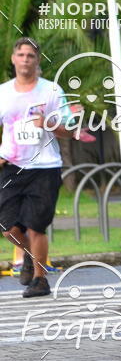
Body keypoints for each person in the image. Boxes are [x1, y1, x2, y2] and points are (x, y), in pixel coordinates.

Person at [0, 37, 72, 297]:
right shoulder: (3, 92)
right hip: (12, 166)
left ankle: (40, 280)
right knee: (7, 227)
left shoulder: (51, 91)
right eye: (21, 55)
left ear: (37, 60)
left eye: (31, 56)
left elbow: (70, 129)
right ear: (13, 58)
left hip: (45, 167)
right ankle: (30, 255)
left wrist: (49, 124)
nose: (25, 60)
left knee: (35, 226)